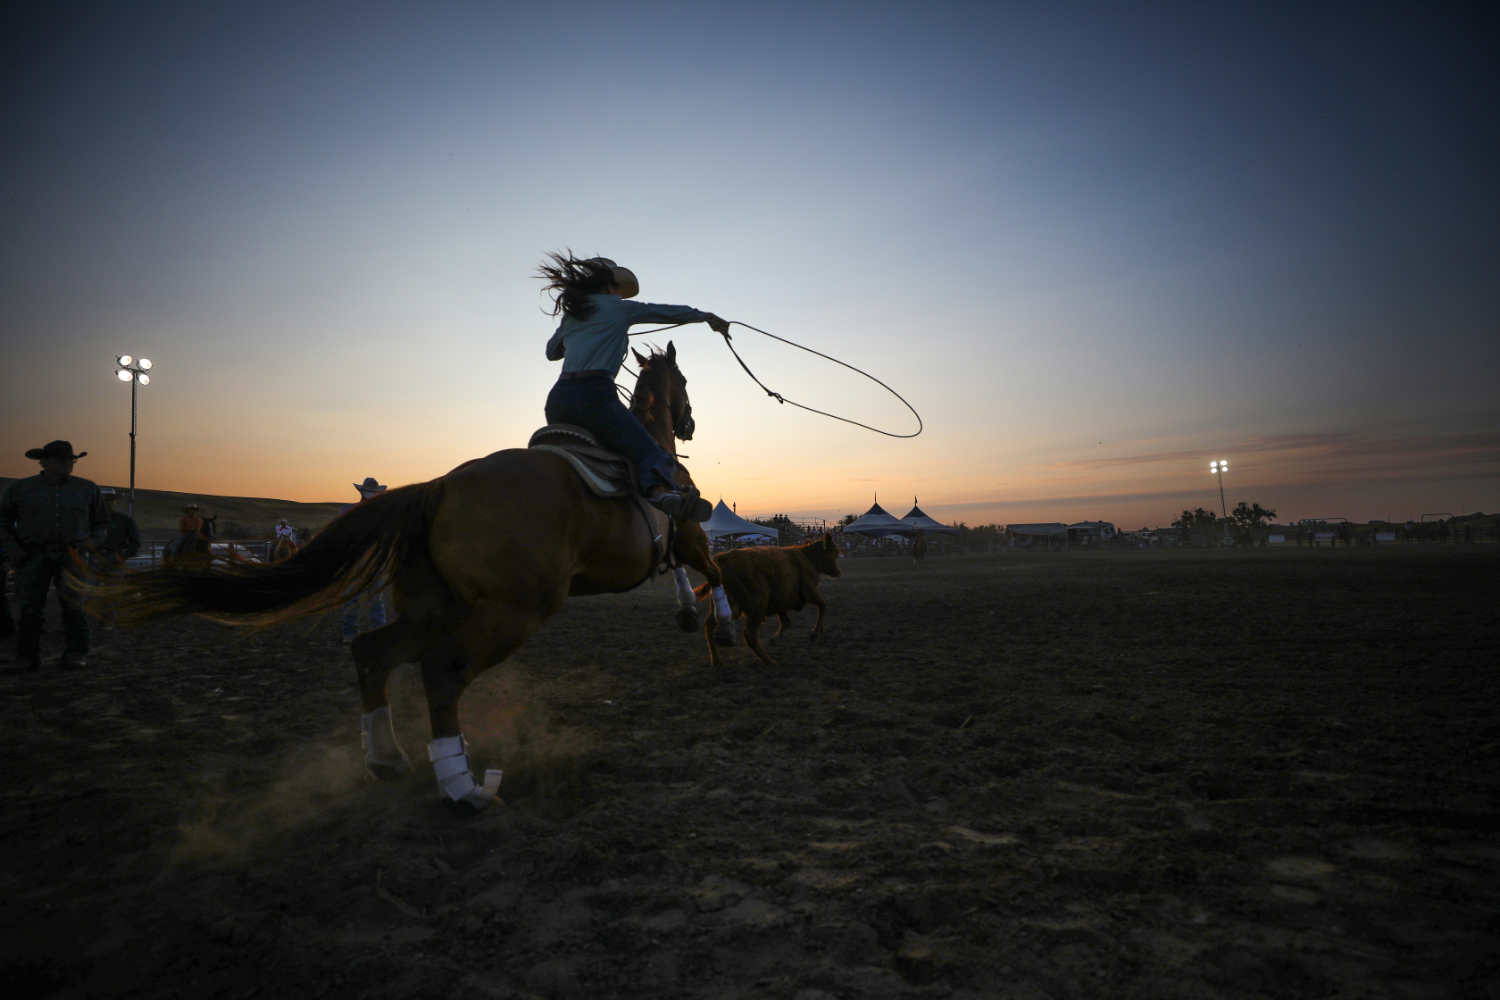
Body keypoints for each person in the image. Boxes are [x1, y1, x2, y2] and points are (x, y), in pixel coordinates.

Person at [537, 253, 727, 521]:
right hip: (596, 396)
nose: (619, 294)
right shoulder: (620, 309)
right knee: (650, 451)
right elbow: (665, 312)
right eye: (617, 288)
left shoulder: (573, 315)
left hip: (558, 401)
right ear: (610, 285)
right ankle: (659, 492)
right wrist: (705, 316)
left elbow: (551, 352)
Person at [0, 441, 109, 671]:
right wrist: (12, 548)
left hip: (73, 554)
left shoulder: (88, 488)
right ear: (45, 461)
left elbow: (102, 524)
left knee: (74, 606)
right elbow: (3, 522)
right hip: (31, 554)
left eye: (72, 460)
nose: (69, 464)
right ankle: (27, 656)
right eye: (62, 459)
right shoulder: (20, 489)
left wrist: (90, 543)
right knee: (30, 608)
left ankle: (77, 652)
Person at [341, 477, 388, 644]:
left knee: (352, 597)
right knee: (375, 598)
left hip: (356, 560)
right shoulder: (382, 514)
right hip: (373, 560)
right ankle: (377, 630)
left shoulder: (347, 510)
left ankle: (351, 632)